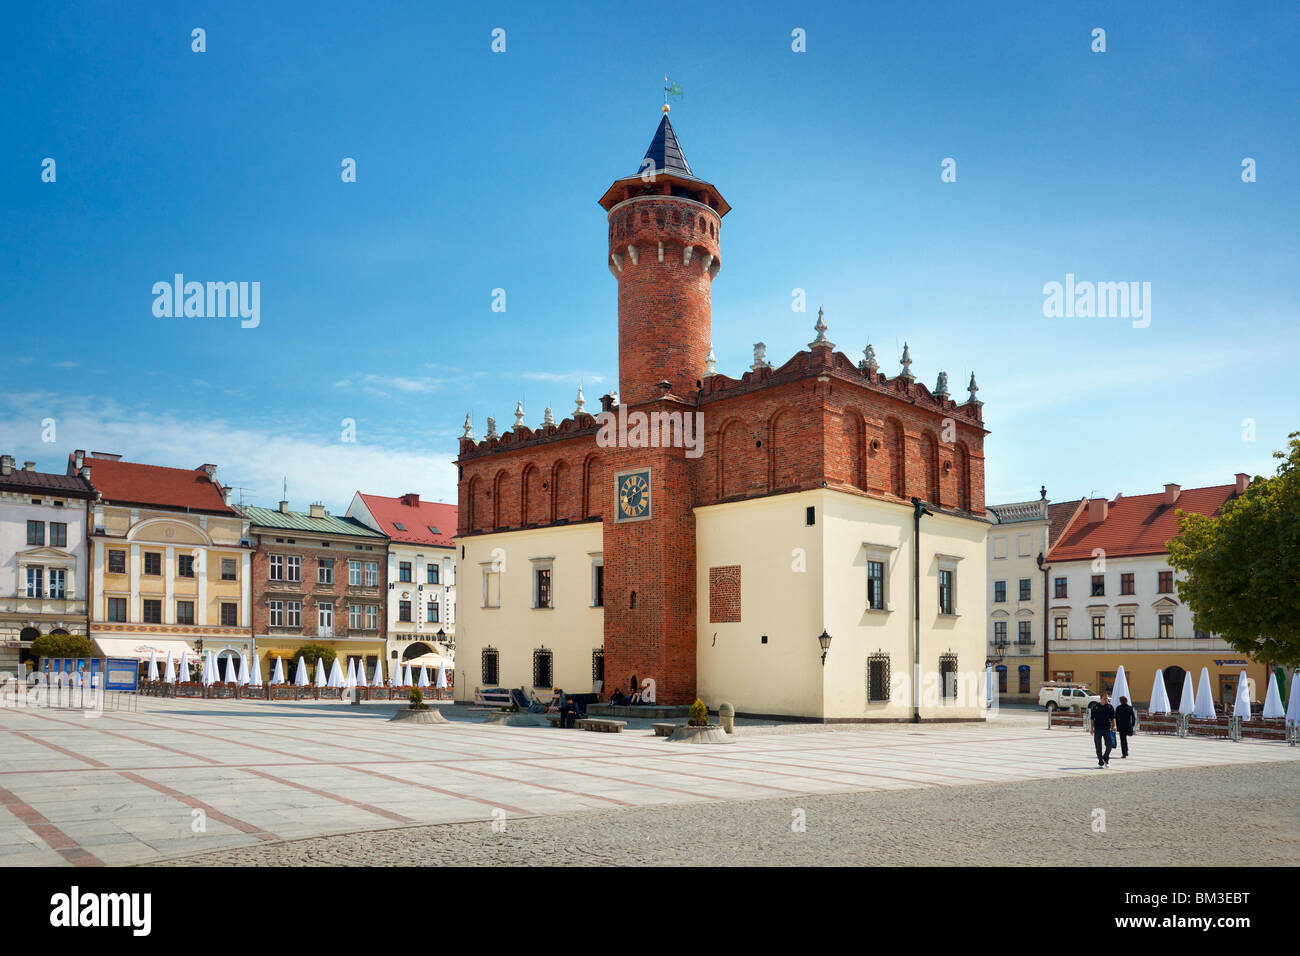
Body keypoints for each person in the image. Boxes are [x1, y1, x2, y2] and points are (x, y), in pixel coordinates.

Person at [1090, 693, 1115, 767]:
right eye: (1105, 698)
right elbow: (1092, 718)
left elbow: (1113, 717)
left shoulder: (1110, 707)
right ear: (1101, 699)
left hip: (1107, 729)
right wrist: (1092, 728)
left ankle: (1105, 758)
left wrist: (1114, 726)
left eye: (1107, 698)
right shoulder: (1095, 707)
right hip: (1097, 729)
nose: (1107, 700)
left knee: (1109, 745)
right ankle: (1100, 762)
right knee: (1098, 746)